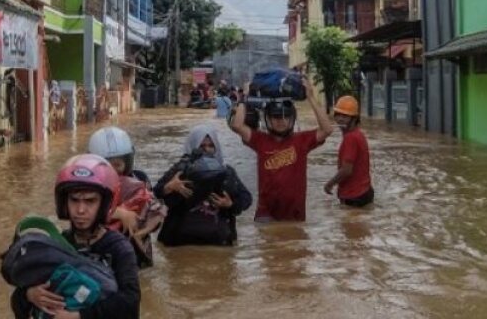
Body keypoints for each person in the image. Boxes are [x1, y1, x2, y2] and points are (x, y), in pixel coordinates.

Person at [10, 154, 140, 319]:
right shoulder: (54, 245)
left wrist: (79, 316)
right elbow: (17, 301)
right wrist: (29, 295)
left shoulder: (119, 248)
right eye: (74, 200)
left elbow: (130, 304)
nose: (80, 210)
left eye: (90, 201)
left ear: (105, 204)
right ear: (64, 203)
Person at [230, 88, 333, 222]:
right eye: (276, 117)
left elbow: (327, 129)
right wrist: (244, 97)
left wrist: (311, 98)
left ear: (293, 118)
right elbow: (237, 125)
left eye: (286, 116)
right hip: (266, 211)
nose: (281, 121)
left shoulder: (302, 140)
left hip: (295, 213)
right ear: (268, 119)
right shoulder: (260, 140)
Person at [154, 125, 251, 246]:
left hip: (218, 242)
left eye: (211, 146)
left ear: (216, 148)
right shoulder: (181, 169)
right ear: (193, 147)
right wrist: (169, 187)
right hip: (180, 242)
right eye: (202, 146)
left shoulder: (226, 172)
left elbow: (246, 199)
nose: (207, 150)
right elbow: (155, 194)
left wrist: (230, 204)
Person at [87, 126, 166, 267]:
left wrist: (141, 233)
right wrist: (118, 213)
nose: (114, 170)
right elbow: (80, 215)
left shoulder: (140, 180)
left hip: (137, 253)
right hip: (104, 256)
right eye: (107, 164)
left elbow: (155, 211)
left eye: (118, 164)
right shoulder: (88, 185)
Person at [323, 96, 373, 207]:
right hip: (365, 192)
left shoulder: (350, 138)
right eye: (338, 115)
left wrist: (329, 184)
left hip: (354, 197)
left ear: (354, 118)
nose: (340, 119)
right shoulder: (358, 134)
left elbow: (346, 170)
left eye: (345, 116)